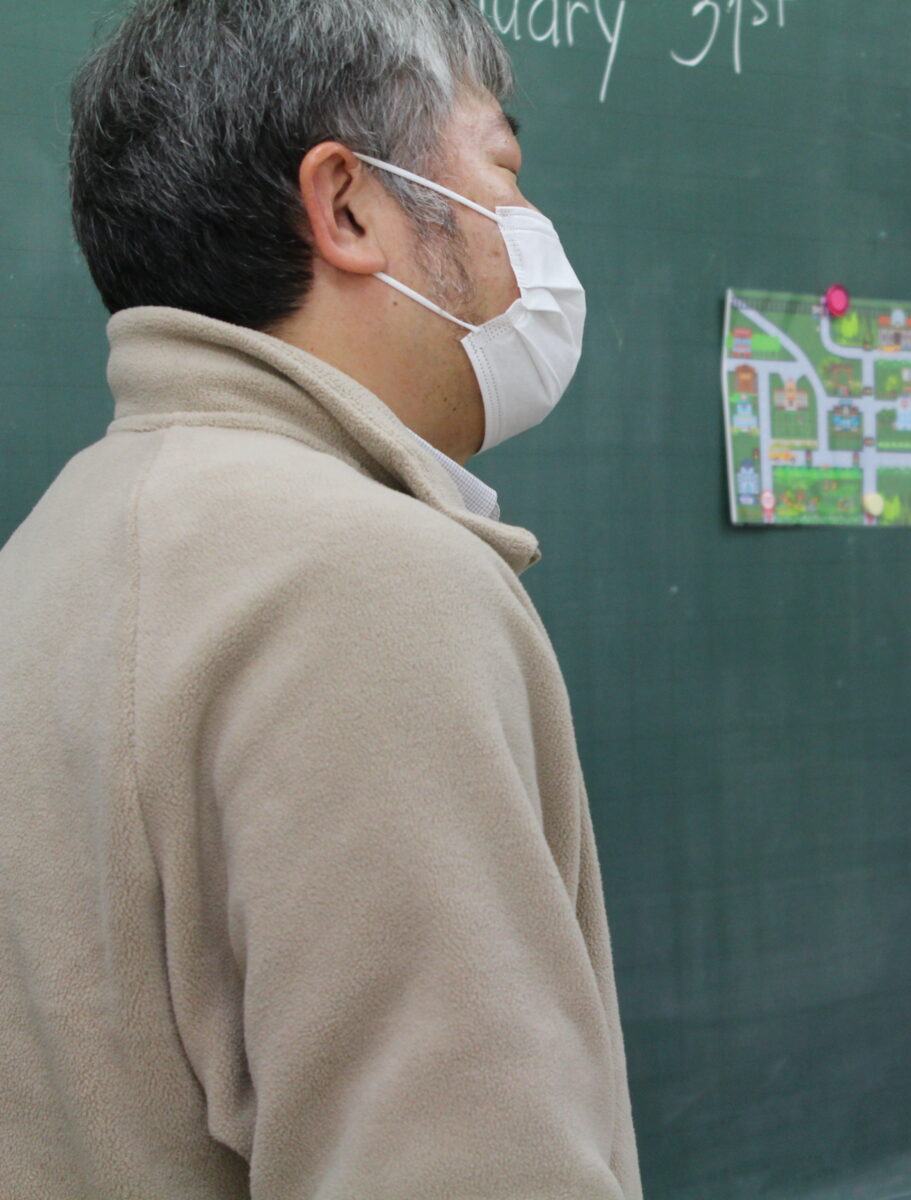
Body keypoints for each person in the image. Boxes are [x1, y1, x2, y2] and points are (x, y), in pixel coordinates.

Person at [0, 1, 639, 1196]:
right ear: (348, 205)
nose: (529, 226)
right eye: (503, 165)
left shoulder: (50, 549)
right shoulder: (364, 582)